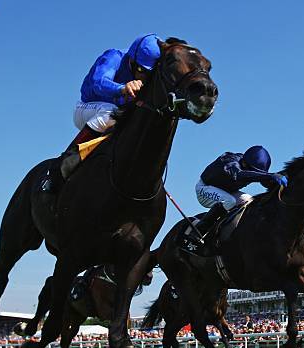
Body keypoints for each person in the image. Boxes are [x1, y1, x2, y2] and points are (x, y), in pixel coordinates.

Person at [41, 33, 162, 193]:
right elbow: (98, 83)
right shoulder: (114, 56)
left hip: (115, 120)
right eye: (140, 69)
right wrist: (122, 88)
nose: (142, 77)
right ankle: (62, 163)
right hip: (87, 109)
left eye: (148, 74)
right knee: (110, 112)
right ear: (132, 59)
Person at [186, 146, 288, 245]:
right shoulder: (230, 162)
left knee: (249, 201)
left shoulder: (247, 164)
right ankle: (199, 231)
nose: (255, 173)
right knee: (229, 201)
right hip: (204, 189)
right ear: (245, 163)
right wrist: (270, 175)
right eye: (254, 170)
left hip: (226, 191)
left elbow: (262, 179)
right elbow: (240, 174)